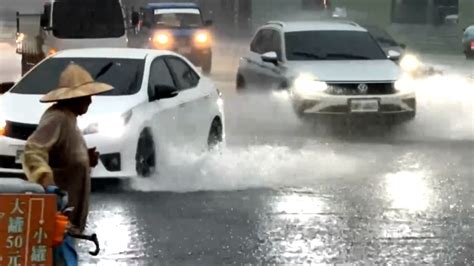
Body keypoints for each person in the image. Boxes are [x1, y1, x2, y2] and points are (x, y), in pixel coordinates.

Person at [22, 63, 113, 234]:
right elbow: (32, 150)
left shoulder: (70, 119)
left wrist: (85, 159)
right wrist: (46, 182)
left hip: (68, 223)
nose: (90, 101)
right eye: (86, 96)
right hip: (57, 219)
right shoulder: (57, 118)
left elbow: (61, 155)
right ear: (73, 98)